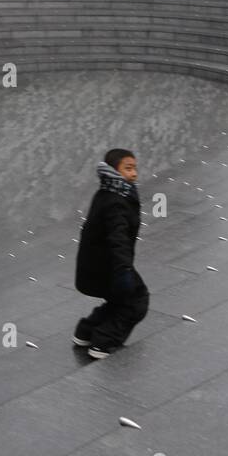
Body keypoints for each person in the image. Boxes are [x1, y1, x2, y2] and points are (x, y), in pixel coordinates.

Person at [74, 148, 149, 359]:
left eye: (135, 168)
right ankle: (103, 342)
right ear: (115, 170)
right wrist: (124, 271)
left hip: (97, 265)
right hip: (110, 267)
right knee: (137, 302)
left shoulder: (107, 192)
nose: (134, 173)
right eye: (128, 168)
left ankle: (85, 332)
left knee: (120, 301)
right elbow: (118, 239)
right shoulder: (117, 201)